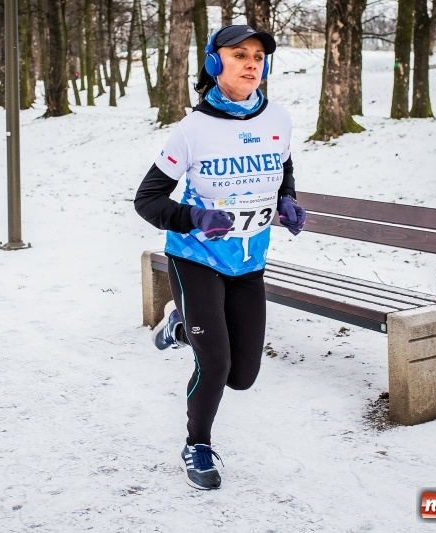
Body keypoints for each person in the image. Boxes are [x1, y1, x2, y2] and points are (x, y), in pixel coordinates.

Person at [134, 24, 307, 490]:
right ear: (215, 63)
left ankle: (180, 326)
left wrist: (287, 201)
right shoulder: (192, 131)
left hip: (250, 263)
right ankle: (197, 445)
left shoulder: (279, 120)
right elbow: (147, 200)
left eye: (258, 56)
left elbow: (281, 168)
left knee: (243, 375)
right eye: (239, 55)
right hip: (197, 259)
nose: (252, 63)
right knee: (215, 365)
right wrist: (194, 217)